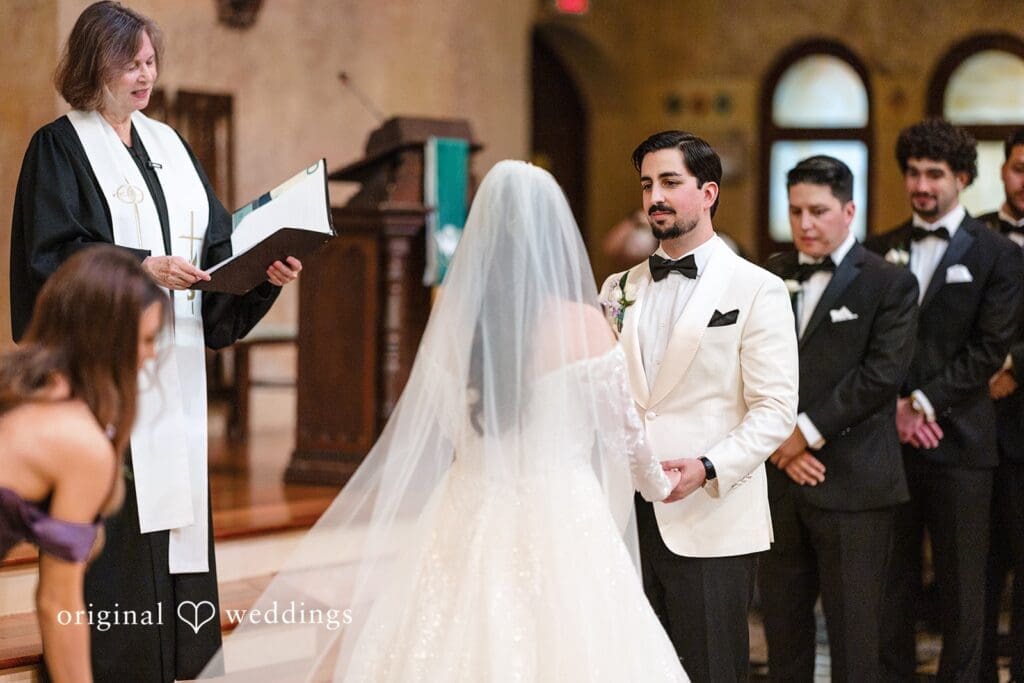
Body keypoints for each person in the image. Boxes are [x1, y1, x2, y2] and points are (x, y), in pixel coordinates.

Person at [196, 160, 689, 681]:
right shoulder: (583, 324)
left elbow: (438, 420)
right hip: (562, 512)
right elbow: (623, 434)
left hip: (469, 503)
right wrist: (660, 483)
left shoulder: (456, 318)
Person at [8, 3, 302, 680]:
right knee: (120, 559)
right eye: (130, 63)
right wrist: (139, 267)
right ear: (92, 66)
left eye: (150, 61)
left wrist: (267, 271)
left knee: (178, 556)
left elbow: (219, 253)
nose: (146, 75)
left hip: (176, 386)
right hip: (106, 391)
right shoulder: (59, 148)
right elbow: (45, 264)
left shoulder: (170, 146)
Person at [600, 130, 799, 683]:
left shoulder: (758, 288)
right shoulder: (617, 289)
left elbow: (775, 409)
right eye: (647, 185)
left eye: (670, 182)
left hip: (711, 515)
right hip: (627, 517)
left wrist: (709, 467)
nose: (655, 198)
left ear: (708, 192)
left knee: (712, 669)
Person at [865, 118, 1024, 681]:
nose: (922, 186)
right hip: (889, 448)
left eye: (935, 174)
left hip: (961, 447)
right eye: (913, 173)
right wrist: (895, 410)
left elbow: (988, 350)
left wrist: (923, 404)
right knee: (890, 592)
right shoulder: (880, 250)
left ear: (963, 177)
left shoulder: (998, 254)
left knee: (963, 596)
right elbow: (870, 348)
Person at [760, 155, 918, 682]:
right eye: (796, 210)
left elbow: (879, 377)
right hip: (780, 483)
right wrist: (781, 448)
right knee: (783, 634)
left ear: (850, 210)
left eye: (819, 211)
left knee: (856, 643)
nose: (805, 223)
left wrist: (801, 436)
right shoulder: (771, 275)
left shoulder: (889, 282)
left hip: (854, 483)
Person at [0, 247, 166, 682]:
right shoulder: (80, 440)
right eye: (147, 339)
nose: (150, 357)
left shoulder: (20, 383)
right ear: (107, 337)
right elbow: (57, 603)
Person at [979, 127, 1024, 683]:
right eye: (1018, 167)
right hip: (976, 426)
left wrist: (1014, 368)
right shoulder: (978, 237)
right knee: (976, 573)